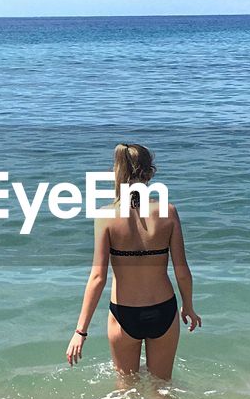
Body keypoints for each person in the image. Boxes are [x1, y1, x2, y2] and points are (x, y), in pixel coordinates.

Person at [66, 143, 200, 381]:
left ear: (117, 173)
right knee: (162, 390)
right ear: (149, 172)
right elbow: (182, 271)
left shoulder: (106, 217)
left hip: (123, 314)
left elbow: (98, 278)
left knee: (125, 393)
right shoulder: (168, 212)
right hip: (164, 311)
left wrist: (80, 331)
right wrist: (188, 306)